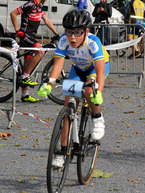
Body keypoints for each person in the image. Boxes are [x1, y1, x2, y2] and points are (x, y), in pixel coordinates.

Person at [38, 9, 109, 167]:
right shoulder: (63, 40)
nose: (72, 37)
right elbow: (58, 64)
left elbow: (100, 71)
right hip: (78, 69)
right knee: (67, 109)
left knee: (90, 90)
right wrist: (49, 83)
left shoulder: (93, 42)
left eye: (77, 33)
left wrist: (99, 93)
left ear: (86, 31)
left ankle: (97, 118)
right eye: (69, 32)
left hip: (95, 69)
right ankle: (62, 152)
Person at [10, 0, 59, 102]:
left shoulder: (39, 6)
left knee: (28, 65)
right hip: (24, 36)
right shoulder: (30, 4)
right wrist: (17, 30)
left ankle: (25, 95)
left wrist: (56, 33)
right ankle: (25, 77)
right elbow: (13, 13)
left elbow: (46, 20)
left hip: (31, 37)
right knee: (40, 50)